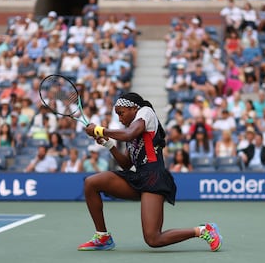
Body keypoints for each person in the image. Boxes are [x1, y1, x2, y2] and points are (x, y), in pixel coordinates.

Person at [79, 92, 222, 251]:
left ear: (133, 108)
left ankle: (203, 230)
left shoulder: (145, 112)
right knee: (91, 183)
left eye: (121, 113)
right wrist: (109, 145)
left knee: (153, 239)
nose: (119, 118)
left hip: (154, 178)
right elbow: (126, 164)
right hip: (138, 177)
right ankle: (102, 237)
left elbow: (128, 134)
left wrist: (100, 130)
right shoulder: (132, 130)